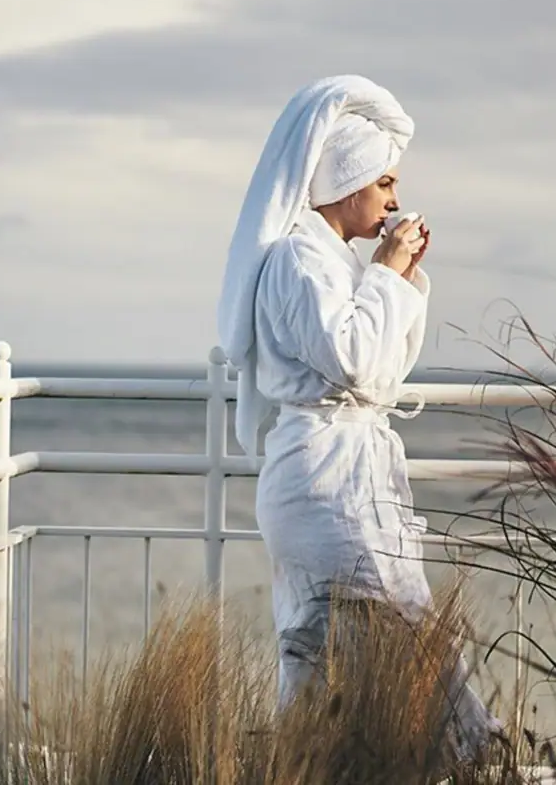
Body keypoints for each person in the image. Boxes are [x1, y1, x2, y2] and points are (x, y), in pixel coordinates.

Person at [217, 75, 502, 763]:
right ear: (347, 184)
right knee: (379, 629)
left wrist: (397, 276)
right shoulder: (297, 261)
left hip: (341, 472)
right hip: (323, 479)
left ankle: (318, 766)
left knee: (332, 646)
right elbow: (351, 359)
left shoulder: (335, 264)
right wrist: (387, 271)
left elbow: (383, 373)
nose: (396, 200)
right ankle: (476, 753)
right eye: (386, 183)